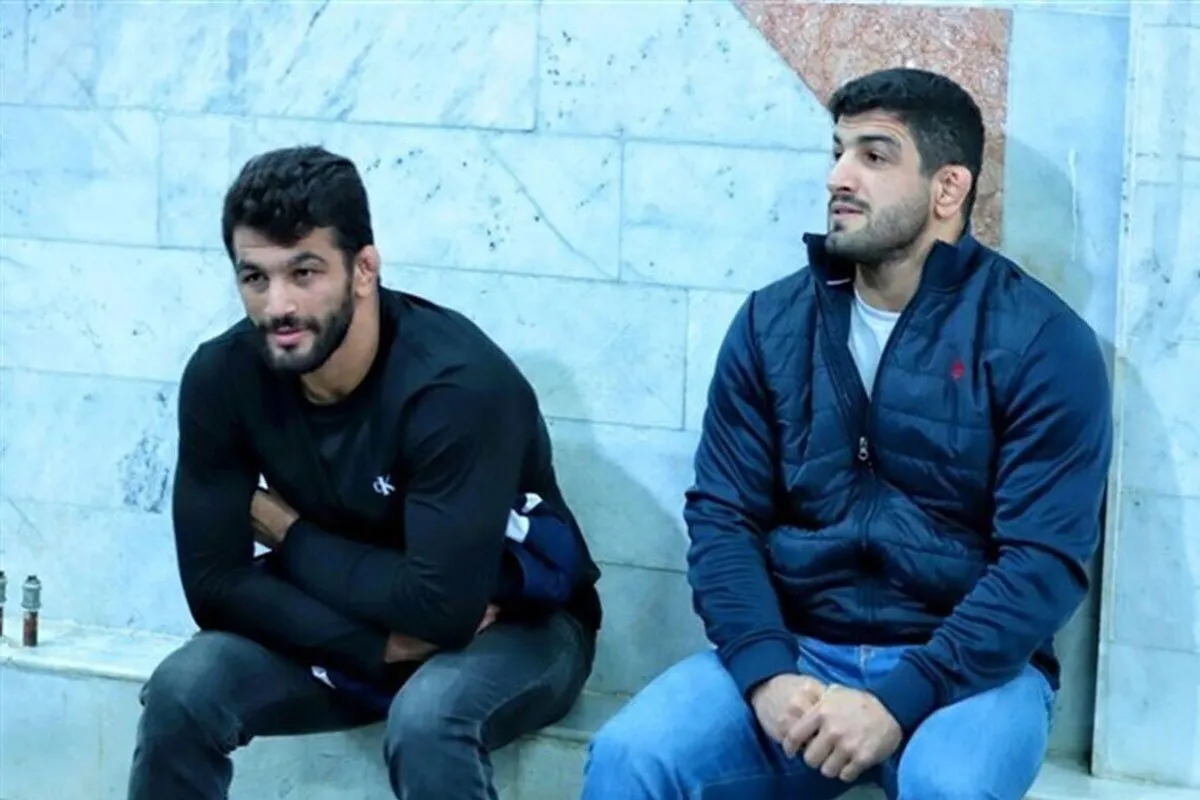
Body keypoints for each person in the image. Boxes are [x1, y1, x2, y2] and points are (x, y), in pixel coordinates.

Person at [580, 67, 1112, 800]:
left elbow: (1042, 562)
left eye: (874, 155)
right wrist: (765, 672)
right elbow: (724, 516)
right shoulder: (771, 323)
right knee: (632, 757)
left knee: (950, 787)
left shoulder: (1041, 342)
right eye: (838, 151)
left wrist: (901, 699)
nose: (839, 176)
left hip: (971, 674)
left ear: (948, 189)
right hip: (800, 653)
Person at [127, 145, 602, 800]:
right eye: (255, 277)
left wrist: (289, 533)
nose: (277, 305)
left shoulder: (455, 386)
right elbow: (213, 586)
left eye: (304, 272)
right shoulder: (223, 376)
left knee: (428, 721)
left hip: (516, 624)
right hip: (357, 622)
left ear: (364, 269)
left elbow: (442, 611)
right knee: (184, 689)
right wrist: (370, 645)